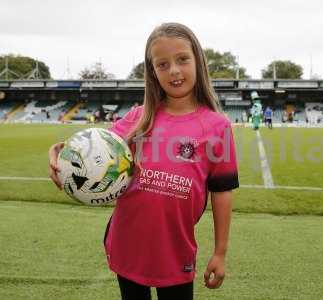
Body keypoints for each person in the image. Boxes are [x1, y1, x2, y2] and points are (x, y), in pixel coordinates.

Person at [48, 22, 239, 300]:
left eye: (182, 59)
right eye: (162, 64)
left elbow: (222, 192)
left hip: (175, 248)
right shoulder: (138, 118)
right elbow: (93, 146)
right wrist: (59, 154)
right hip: (127, 242)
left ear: (198, 60)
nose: (173, 70)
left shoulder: (216, 126)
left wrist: (220, 252)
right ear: (152, 72)